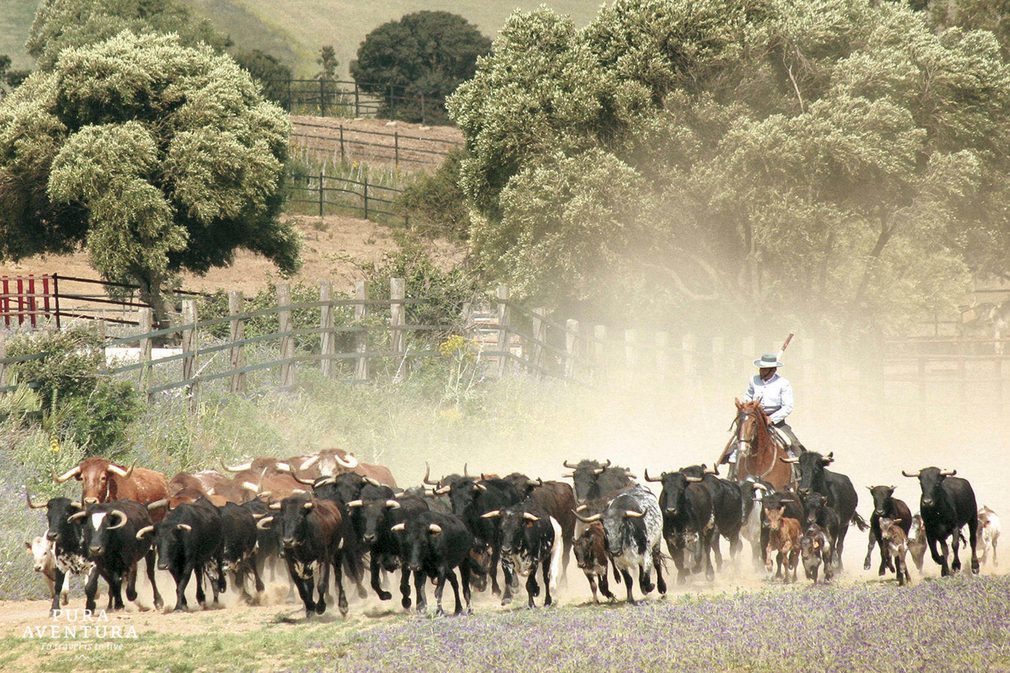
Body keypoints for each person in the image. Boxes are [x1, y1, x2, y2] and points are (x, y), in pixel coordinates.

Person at [743, 353, 803, 457]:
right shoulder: (753, 380)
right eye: (761, 368)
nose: (761, 371)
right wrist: (748, 406)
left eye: (765, 369)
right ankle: (732, 467)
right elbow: (748, 396)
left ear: (773, 370)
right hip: (754, 418)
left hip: (775, 421)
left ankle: (797, 468)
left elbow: (787, 406)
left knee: (790, 442)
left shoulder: (783, 383)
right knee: (740, 439)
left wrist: (771, 418)